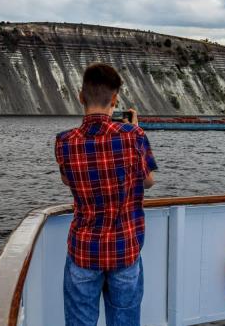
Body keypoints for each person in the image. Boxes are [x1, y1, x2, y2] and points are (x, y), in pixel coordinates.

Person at [55, 63, 157, 326]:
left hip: (84, 250)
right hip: (124, 250)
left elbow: (68, 180)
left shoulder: (65, 142)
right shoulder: (134, 136)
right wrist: (136, 129)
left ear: (80, 97)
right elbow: (148, 182)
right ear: (115, 100)